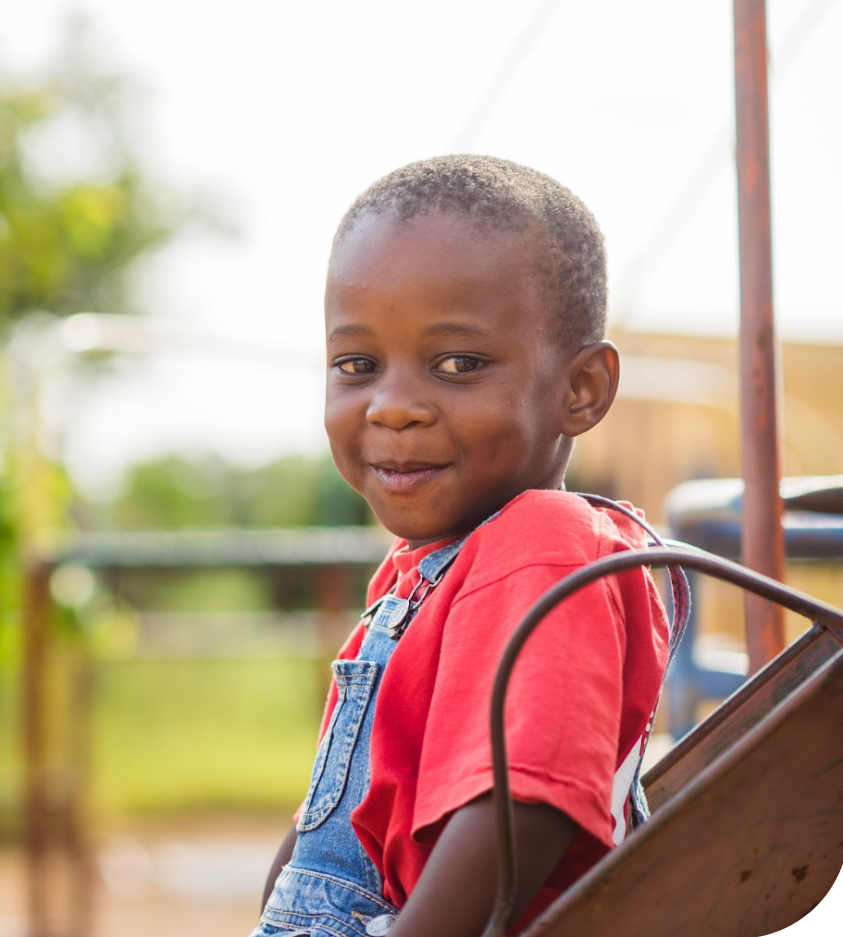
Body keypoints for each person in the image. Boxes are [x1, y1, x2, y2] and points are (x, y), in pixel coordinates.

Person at [250, 155, 675, 937]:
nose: (394, 406)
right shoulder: (424, 573)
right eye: (357, 364)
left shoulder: (549, 546)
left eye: (458, 364)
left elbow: (524, 800)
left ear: (580, 389)